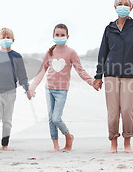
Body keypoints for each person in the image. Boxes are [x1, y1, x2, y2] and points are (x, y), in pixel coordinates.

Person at [93, 0, 133, 153]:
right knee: (113, 112)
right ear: (115, 7)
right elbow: (103, 54)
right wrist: (98, 76)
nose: (123, 6)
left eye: (126, 4)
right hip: (111, 74)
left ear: (131, 8)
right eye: (120, 4)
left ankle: (127, 142)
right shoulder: (109, 28)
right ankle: (113, 142)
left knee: (127, 109)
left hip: (131, 74)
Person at [27, 24, 98, 153]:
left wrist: (92, 82)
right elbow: (41, 72)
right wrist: (31, 88)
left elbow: (80, 70)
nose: (59, 37)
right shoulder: (50, 53)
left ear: (67, 36)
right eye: (57, 35)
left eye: (62, 35)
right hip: (49, 89)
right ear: (53, 36)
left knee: (56, 118)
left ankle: (68, 136)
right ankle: (56, 146)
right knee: (50, 119)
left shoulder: (71, 53)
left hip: (61, 90)